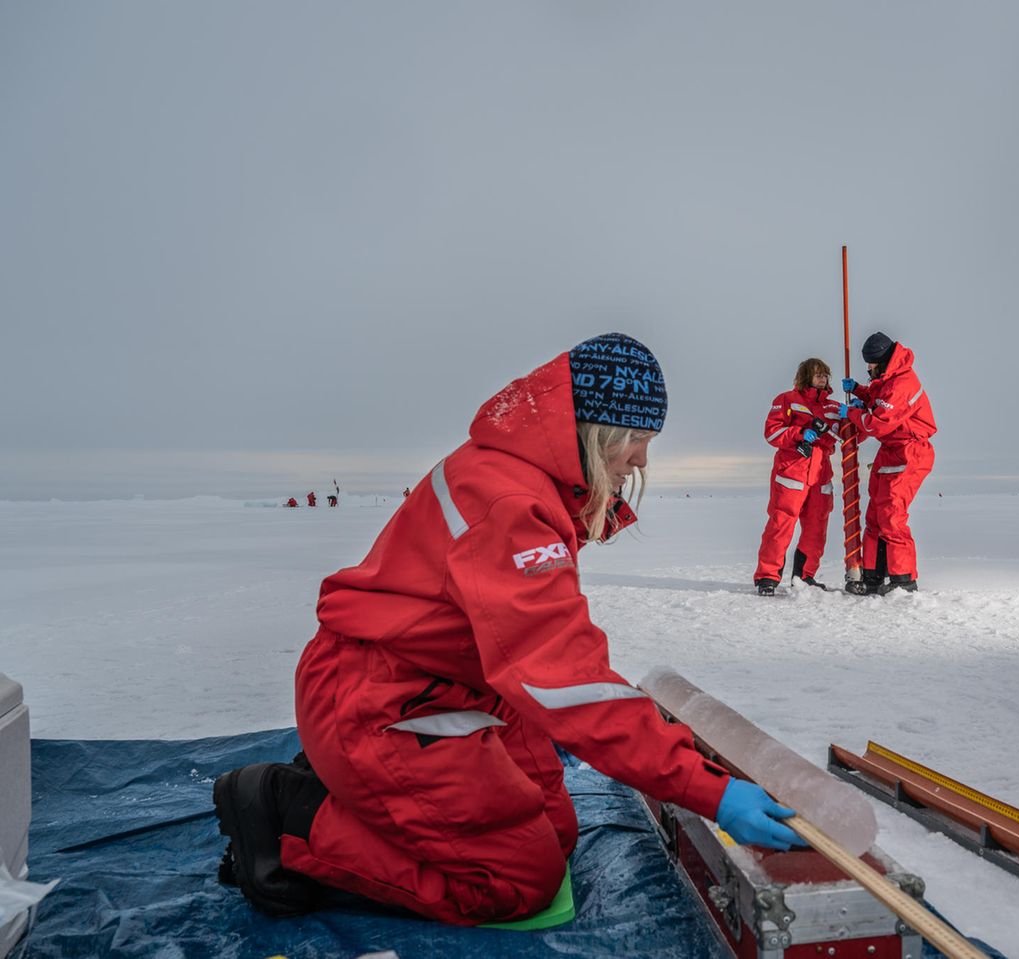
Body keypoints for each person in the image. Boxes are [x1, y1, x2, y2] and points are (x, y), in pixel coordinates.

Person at [212, 333, 802, 923]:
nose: (642, 460)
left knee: (556, 832)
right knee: (519, 880)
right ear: (594, 432)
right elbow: (566, 684)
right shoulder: (511, 508)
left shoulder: (522, 477)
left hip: (444, 687)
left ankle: (368, 791)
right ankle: (293, 813)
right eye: (637, 439)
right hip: (379, 701)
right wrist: (710, 791)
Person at [840, 332, 937, 595]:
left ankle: (902, 580)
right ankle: (873, 575)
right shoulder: (889, 378)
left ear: (881, 362)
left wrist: (852, 412)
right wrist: (859, 391)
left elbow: (878, 422)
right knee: (875, 516)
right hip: (891, 451)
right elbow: (877, 397)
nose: (868, 370)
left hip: (909, 452)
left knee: (892, 517)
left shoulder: (902, 383)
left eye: (870, 365)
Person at [753, 358, 843, 596]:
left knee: (816, 527)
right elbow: (772, 432)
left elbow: (845, 437)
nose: (822, 379)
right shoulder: (786, 401)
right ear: (805, 376)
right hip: (792, 471)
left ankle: (804, 576)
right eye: (817, 375)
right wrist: (800, 433)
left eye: (825, 375)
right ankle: (767, 577)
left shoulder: (833, 408)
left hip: (821, 474)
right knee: (781, 524)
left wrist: (851, 415)